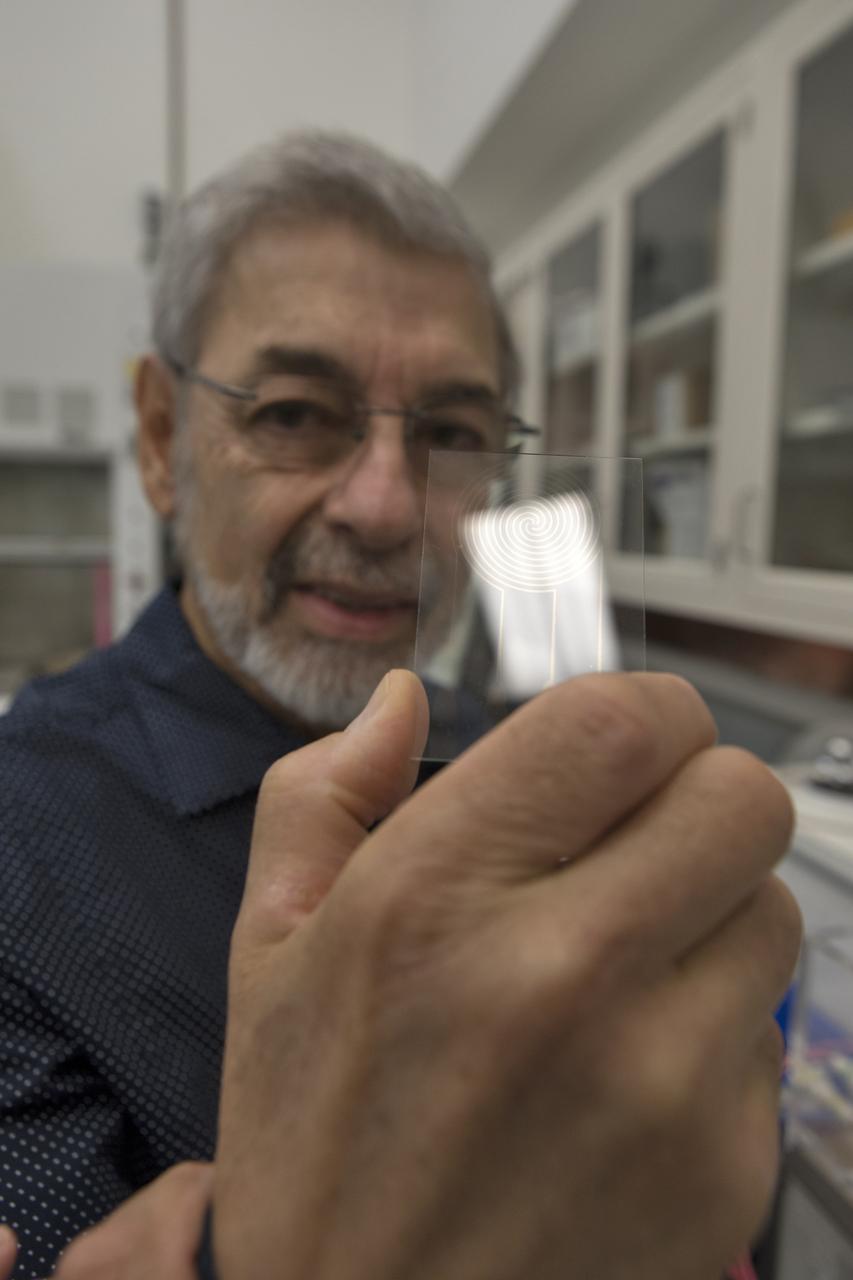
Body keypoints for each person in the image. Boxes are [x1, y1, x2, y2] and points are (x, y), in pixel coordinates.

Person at [0, 131, 800, 1279]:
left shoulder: (515, 756)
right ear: (167, 439)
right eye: (292, 412)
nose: (384, 507)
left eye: (452, 434)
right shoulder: (20, 843)